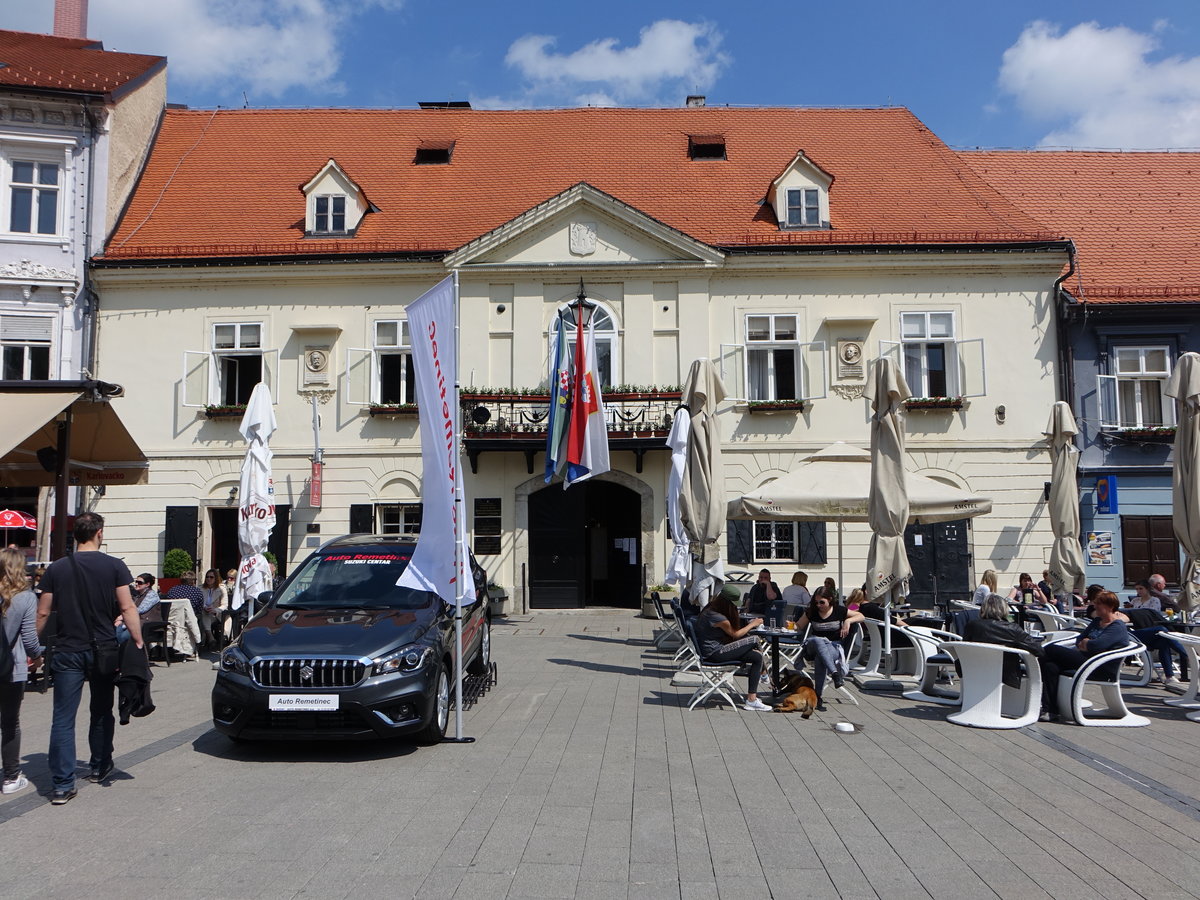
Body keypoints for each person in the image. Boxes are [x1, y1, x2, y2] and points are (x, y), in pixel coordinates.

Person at [36, 512, 143, 805]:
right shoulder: (114, 566)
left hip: (68, 649)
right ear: (99, 533)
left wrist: (31, 646)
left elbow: (43, 612)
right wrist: (138, 640)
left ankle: (61, 785)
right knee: (100, 709)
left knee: (63, 718)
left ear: (75, 536)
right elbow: (128, 606)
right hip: (103, 648)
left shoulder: (57, 569)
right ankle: (99, 765)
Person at [1037, 590, 1130, 722]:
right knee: (1050, 666)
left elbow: (1096, 645)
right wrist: (1087, 643)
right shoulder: (1097, 621)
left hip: (1099, 667)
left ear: (1110, 607)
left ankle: (1028, 669)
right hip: (1086, 659)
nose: (1095, 607)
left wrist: (1088, 643)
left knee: (1051, 649)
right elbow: (1079, 639)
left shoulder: (1117, 627)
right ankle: (1050, 710)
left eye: (1099, 604)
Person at [1, 547, 42, 795]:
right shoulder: (25, 597)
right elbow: (29, 638)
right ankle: (10, 777)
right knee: (9, 723)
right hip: (11, 667)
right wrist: (37, 657)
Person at [693, 584, 770, 711]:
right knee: (754, 639)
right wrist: (753, 624)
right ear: (727, 603)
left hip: (713, 650)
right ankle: (765, 674)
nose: (735, 607)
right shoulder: (718, 618)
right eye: (733, 604)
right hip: (715, 653)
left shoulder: (710, 609)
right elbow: (735, 634)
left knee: (756, 656)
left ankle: (752, 699)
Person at [793, 586, 865, 711]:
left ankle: (818, 697)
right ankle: (835, 674)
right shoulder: (812, 612)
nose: (819, 605)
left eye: (822, 602)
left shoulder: (839, 611)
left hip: (833, 646)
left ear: (830, 599)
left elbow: (861, 616)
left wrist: (848, 622)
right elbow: (799, 625)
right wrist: (790, 626)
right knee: (817, 639)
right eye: (816, 602)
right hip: (812, 647)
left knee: (821, 659)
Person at [962, 594, 1043, 689]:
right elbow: (1039, 650)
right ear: (1004, 609)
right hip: (1006, 677)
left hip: (975, 674)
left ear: (983, 608)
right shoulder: (1012, 629)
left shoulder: (972, 626)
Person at [1122, 605, 1187, 689]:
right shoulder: (1114, 612)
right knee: (1161, 629)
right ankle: (1188, 655)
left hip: (1134, 632)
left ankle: (1169, 677)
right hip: (1127, 636)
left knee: (1164, 641)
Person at [162, 571, 203, 660]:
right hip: (186, 622)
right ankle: (199, 645)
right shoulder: (196, 592)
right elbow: (199, 609)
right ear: (192, 581)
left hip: (171, 620)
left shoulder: (172, 590)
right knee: (199, 619)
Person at [199, 568, 227, 649]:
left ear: (216, 578)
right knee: (205, 614)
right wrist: (204, 607)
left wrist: (215, 610)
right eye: (207, 577)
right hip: (204, 612)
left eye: (211, 577)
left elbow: (225, 605)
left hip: (216, 614)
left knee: (206, 615)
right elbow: (199, 601)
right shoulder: (200, 588)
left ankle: (208, 638)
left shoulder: (221, 589)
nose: (208, 579)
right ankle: (210, 637)